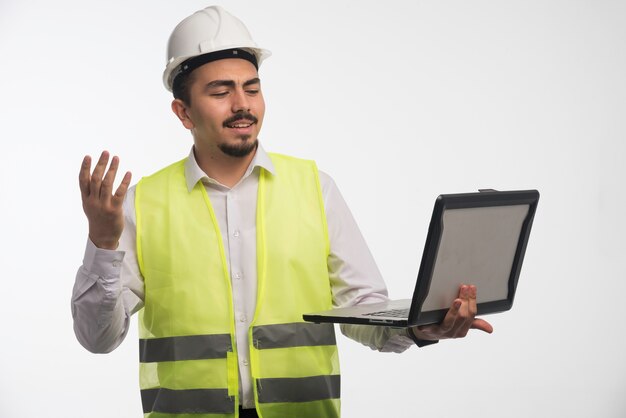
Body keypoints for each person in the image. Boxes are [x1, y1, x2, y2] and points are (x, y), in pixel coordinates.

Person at [72, 5, 493, 418]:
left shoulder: (315, 188)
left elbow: (364, 309)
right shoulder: (142, 204)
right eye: (220, 92)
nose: (242, 104)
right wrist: (103, 243)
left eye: (252, 88)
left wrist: (422, 328)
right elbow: (97, 339)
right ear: (183, 112)